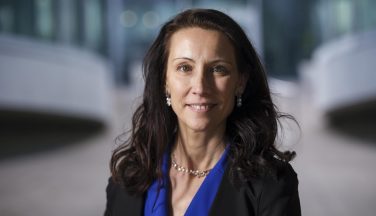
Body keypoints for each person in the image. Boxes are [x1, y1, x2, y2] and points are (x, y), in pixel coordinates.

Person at [104, 8, 301, 216]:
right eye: (184, 68)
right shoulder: (127, 177)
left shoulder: (271, 185)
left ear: (240, 82)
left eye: (218, 69)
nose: (200, 87)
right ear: (165, 81)